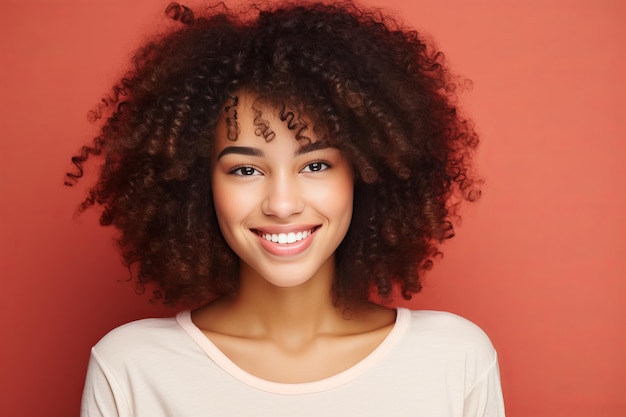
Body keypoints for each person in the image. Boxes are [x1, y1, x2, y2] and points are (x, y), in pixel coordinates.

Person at [68, 1, 505, 416]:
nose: (281, 204)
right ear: (196, 184)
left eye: (315, 165)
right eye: (244, 170)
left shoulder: (453, 359)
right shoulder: (132, 369)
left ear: (365, 172)